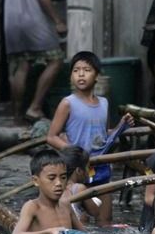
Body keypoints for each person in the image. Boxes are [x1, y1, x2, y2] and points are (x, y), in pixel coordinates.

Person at [46, 51, 134, 225]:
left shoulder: (104, 103)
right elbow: (51, 136)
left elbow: (103, 135)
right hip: (77, 169)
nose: (80, 74)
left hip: (101, 166)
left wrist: (121, 127)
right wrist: (71, 152)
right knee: (78, 219)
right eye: (76, 70)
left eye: (86, 69)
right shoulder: (67, 103)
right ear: (71, 75)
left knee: (105, 220)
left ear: (97, 76)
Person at [10, 149, 116, 234]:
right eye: (52, 178)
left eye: (63, 177)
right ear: (36, 181)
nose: (59, 183)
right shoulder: (33, 207)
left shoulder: (65, 205)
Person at [4, 0, 67, 123]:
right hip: (33, 21)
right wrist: (58, 21)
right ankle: (35, 107)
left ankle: (17, 117)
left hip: (11, 21)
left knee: (22, 66)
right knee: (56, 59)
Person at [60, 145, 101, 224]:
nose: (88, 171)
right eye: (88, 167)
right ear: (78, 170)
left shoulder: (55, 186)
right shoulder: (79, 188)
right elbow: (95, 212)